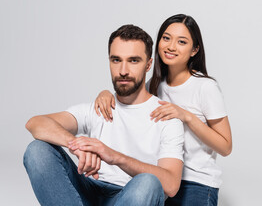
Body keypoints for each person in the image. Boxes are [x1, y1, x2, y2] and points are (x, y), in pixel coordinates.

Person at [23, 24, 185, 206]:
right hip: (86, 191)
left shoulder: (166, 116)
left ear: (148, 65)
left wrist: (114, 157)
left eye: (133, 61)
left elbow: (171, 185)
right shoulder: (99, 107)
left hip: (130, 196)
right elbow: (35, 123)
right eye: (116, 60)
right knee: (37, 150)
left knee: (147, 183)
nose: (123, 70)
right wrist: (76, 146)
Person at [95, 14, 232, 206]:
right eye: (166, 38)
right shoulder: (154, 85)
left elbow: (226, 146)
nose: (171, 46)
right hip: (161, 180)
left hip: (196, 183)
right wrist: (105, 93)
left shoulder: (204, 87)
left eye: (181, 41)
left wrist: (187, 116)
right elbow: (129, 101)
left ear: (194, 50)